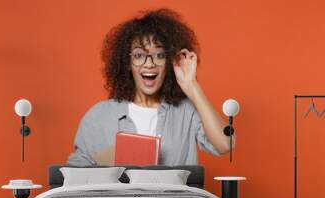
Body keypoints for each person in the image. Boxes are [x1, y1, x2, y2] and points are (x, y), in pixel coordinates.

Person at [67, 8, 234, 166]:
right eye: (139, 55)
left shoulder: (186, 112)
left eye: (159, 55)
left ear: (169, 61)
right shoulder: (98, 116)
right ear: (127, 63)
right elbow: (74, 175)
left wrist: (191, 85)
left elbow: (225, 144)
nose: (149, 64)